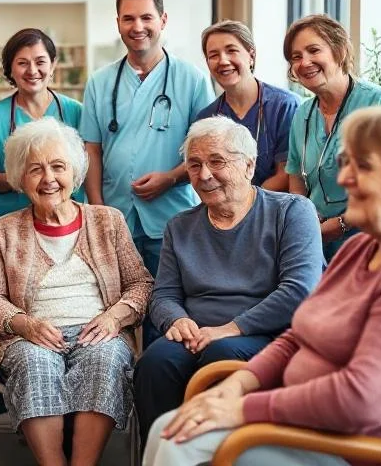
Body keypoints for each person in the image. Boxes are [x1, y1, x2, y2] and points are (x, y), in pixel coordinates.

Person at [143, 104, 381, 466]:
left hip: (359, 446)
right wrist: (236, 385)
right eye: (346, 164)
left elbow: (362, 400)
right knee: (168, 427)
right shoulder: (360, 248)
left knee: (179, 438)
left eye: (363, 166)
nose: (343, 180)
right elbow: (299, 334)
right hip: (311, 426)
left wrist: (244, 409)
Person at [134, 116, 323, 446]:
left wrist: (231, 328)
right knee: (155, 363)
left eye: (216, 161)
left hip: (268, 335)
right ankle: (165, 454)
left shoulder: (293, 211)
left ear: (249, 166)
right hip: (197, 334)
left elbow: (299, 290)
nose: (204, 175)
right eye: (194, 165)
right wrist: (176, 320)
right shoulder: (179, 226)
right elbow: (163, 293)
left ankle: (226, 454)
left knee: (223, 354)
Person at [0, 118, 153, 466]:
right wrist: (26, 324)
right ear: (19, 177)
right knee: (34, 363)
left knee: (103, 360)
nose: (48, 179)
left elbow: (141, 283)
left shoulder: (108, 221)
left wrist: (113, 318)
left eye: (58, 167)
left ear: (74, 172)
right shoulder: (3, 230)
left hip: (98, 331)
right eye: (35, 169)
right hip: (30, 338)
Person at [78, 0, 214, 343]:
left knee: (164, 305)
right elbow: (91, 149)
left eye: (146, 17)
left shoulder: (192, 79)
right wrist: (98, 209)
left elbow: (205, 153)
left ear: (163, 19)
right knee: (108, 309)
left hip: (171, 215)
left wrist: (170, 178)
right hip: (114, 213)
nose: (137, 27)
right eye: (128, 19)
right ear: (118, 22)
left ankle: (154, 385)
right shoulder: (100, 82)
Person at [285, 14, 381, 261]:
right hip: (316, 241)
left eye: (313, 50)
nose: (304, 62)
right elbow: (296, 178)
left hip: (370, 238)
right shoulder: (302, 113)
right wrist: (304, 218)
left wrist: (340, 224)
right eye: (296, 57)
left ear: (338, 51)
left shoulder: (379, 103)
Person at [0, 28, 84, 221]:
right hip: (8, 220)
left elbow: (87, 168)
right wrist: (27, 179)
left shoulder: (76, 112)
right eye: (22, 63)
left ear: (53, 65)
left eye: (40, 62)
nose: (32, 70)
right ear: (10, 69)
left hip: (64, 220)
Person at [195, 20, 299, 191]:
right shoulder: (207, 118)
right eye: (213, 55)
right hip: (225, 211)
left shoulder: (284, 106)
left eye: (232, 51)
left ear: (251, 56)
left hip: (275, 209)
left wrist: (246, 204)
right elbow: (207, 176)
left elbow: (286, 174)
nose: (223, 60)